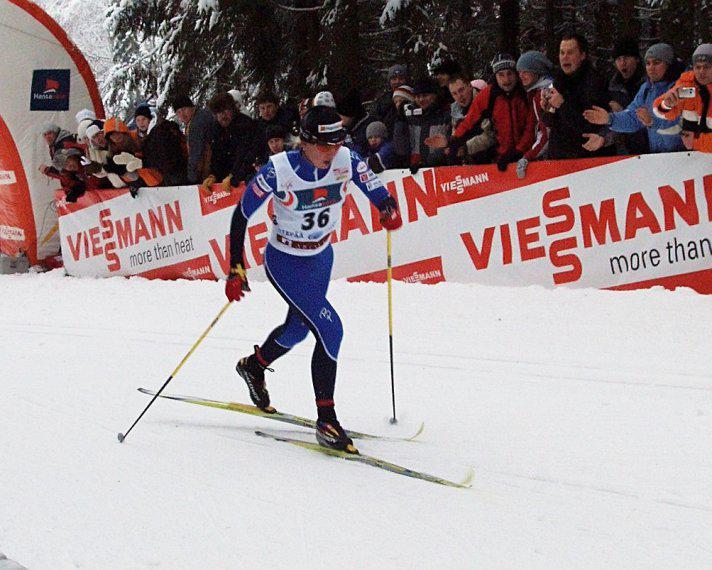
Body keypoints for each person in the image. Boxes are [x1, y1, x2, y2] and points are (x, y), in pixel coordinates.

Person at [225, 105, 403, 453]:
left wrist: (388, 208)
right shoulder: (278, 170)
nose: (331, 152)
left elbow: (380, 193)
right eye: (324, 145)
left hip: (321, 257)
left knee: (298, 329)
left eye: (337, 143)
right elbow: (241, 214)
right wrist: (236, 265)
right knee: (331, 329)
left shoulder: (346, 160)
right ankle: (327, 419)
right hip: (285, 262)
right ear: (304, 141)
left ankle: (253, 366)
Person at [583, 43, 686, 154]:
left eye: (657, 63)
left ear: (669, 64)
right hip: (657, 158)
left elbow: (681, 125)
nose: (651, 68)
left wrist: (652, 122)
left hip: (688, 157)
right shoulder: (647, 89)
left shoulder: (684, 88)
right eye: (648, 63)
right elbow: (633, 117)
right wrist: (609, 119)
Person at [448, 54, 535, 171]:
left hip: (529, 156)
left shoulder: (525, 92)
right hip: (501, 157)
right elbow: (470, 120)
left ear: (516, 74)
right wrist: (455, 140)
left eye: (509, 73)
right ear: (495, 76)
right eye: (501, 75)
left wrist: (519, 151)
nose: (506, 80)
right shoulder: (489, 94)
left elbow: (531, 127)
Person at [541, 32, 612, 159]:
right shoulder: (558, 80)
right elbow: (549, 123)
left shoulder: (595, 82)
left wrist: (562, 104)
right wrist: (548, 109)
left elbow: (588, 127)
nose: (565, 57)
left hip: (585, 161)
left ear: (583, 55)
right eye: (562, 53)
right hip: (558, 158)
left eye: (570, 53)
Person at [653, 43, 712, 153]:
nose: (701, 71)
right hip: (693, 158)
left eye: (707, 67)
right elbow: (658, 110)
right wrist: (667, 104)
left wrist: (695, 142)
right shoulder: (690, 89)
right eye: (697, 67)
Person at [393, 77, 451, 171]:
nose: (421, 99)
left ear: (435, 95)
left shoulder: (446, 115)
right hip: (417, 173)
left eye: (425, 95)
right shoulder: (410, 118)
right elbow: (400, 149)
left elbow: (449, 145)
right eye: (417, 96)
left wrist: (426, 163)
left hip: (442, 171)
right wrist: (401, 120)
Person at [516, 50, 554, 177]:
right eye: (519, 72)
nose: (521, 75)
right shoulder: (535, 93)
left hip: (556, 155)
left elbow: (546, 133)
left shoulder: (543, 93)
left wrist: (528, 156)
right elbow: (532, 128)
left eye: (525, 71)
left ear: (537, 71)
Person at [172, 94, 215, 183]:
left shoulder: (196, 123)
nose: (182, 115)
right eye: (178, 112)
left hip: (210, 172)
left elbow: (196, 152)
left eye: (184, 109)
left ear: (191, 107)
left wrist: (192, 178)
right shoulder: (200, 115)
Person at [373, 64, 409, 137]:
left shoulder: (414, 97)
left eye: (401, 78)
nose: (397, 82)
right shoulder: (383, 100)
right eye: (394, 79)